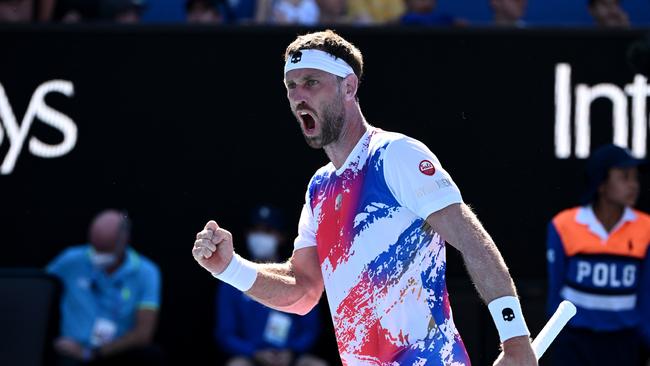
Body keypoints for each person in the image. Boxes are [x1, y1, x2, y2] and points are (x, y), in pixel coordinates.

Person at [192, 30, 537, 366]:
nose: (299, 96)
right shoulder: (319, 188)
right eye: (291, 86)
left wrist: (516, 340)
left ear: (349, 86)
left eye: (311, 82)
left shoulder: (396, 155)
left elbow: (471, 240)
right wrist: (230, 268)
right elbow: (302, 293)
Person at [546, 144, 650, 366]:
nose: (634, 185)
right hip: (574, 342)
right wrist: (558, 337)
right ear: (601, 183)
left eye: (635, 178)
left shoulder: (646, 228)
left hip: (625, 344)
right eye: (624, 177)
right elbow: (555, 292)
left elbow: (646, 295)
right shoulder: (563, 225)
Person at [47, 209, 163, 366]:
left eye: (105, 249)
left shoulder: (146, 272)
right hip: (70, 353)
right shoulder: (70, 261)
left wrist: (93, 354)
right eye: (95, 248)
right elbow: (36, 292)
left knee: (151, 356)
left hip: (115, 352)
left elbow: (143, 333)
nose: (98, 255)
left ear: (124, 240)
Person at [215, 205, 327, 366]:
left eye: (268, 231)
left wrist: (291, 350)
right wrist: (253, 351)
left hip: (291, 356)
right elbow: (225, 333)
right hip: (251, 358)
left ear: (280, 236)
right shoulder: (231, 280)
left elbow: (310, 328)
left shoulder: (297, 275)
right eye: (256, 230)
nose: (261, 237)